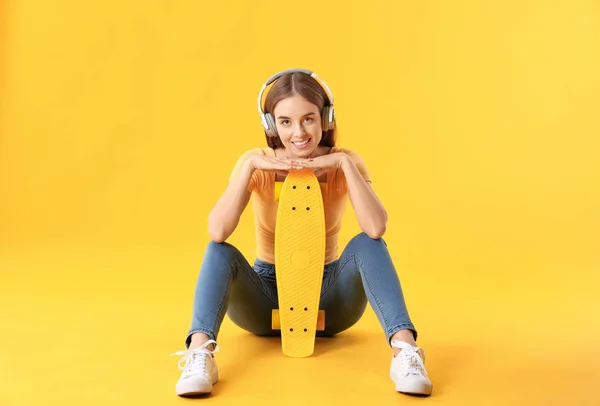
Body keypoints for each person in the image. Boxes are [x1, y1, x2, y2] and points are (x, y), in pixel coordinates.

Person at [170, 69, 433, 397]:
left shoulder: (346, 161)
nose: (298, 133)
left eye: (308, 119)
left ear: (326, 118)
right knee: (218, 250)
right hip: (266, 296)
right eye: (285, 122)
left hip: (330, 297)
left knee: (368, 243)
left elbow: (376, 227)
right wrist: (250, 168)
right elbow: (217, 231)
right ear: (270, 125)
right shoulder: (255, 162)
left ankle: (404, 354)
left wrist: (344, 165)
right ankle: (200, 354)